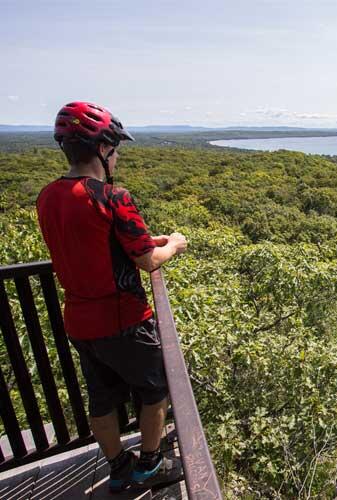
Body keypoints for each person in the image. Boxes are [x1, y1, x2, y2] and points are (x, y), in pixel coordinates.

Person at [36, 101, 188, 493]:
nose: (117, 156)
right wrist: (174, 244)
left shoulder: (48, 197)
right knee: (154, 392)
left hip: (79, 321)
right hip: (124, 321)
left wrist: (137, 242)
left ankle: (118, 465)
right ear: (102, 149)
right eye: (115, 149)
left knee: (101, 398)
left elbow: (92, 245)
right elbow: (148, 261)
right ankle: (150, 465)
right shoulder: (112, 197)